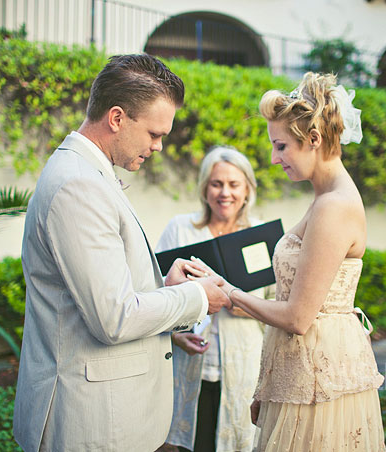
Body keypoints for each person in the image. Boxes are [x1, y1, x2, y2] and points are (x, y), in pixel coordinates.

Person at [12, 54, 230, 452]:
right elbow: (112, 318)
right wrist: (197, 298)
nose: (159, 146)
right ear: (116, 118)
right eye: (153, 133)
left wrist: (163, 286)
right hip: (90, 420)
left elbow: (100, 292)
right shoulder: (78, 185)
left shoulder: (87, 173)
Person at [185, 73, 386, 451]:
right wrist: (270, 384)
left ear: (313, 139)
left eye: (280, 146)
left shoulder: (334, 207)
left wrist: (228, 292)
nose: (274, 159)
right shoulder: (325, 199)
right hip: (299, 372)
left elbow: (296, 318)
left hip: (319, 378)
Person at [156, 147, 271, 452]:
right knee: (191, 440)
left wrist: (232, 301)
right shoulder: (180, 229)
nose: (225, 193)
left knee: (236, 440)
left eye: (234, 184)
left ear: (247, 189)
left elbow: (277, 305)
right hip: (190, 363)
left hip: (244, 366)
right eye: (216, 183)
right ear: (205, 188)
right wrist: (176, 336)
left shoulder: (260, 236)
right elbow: (154, 294)